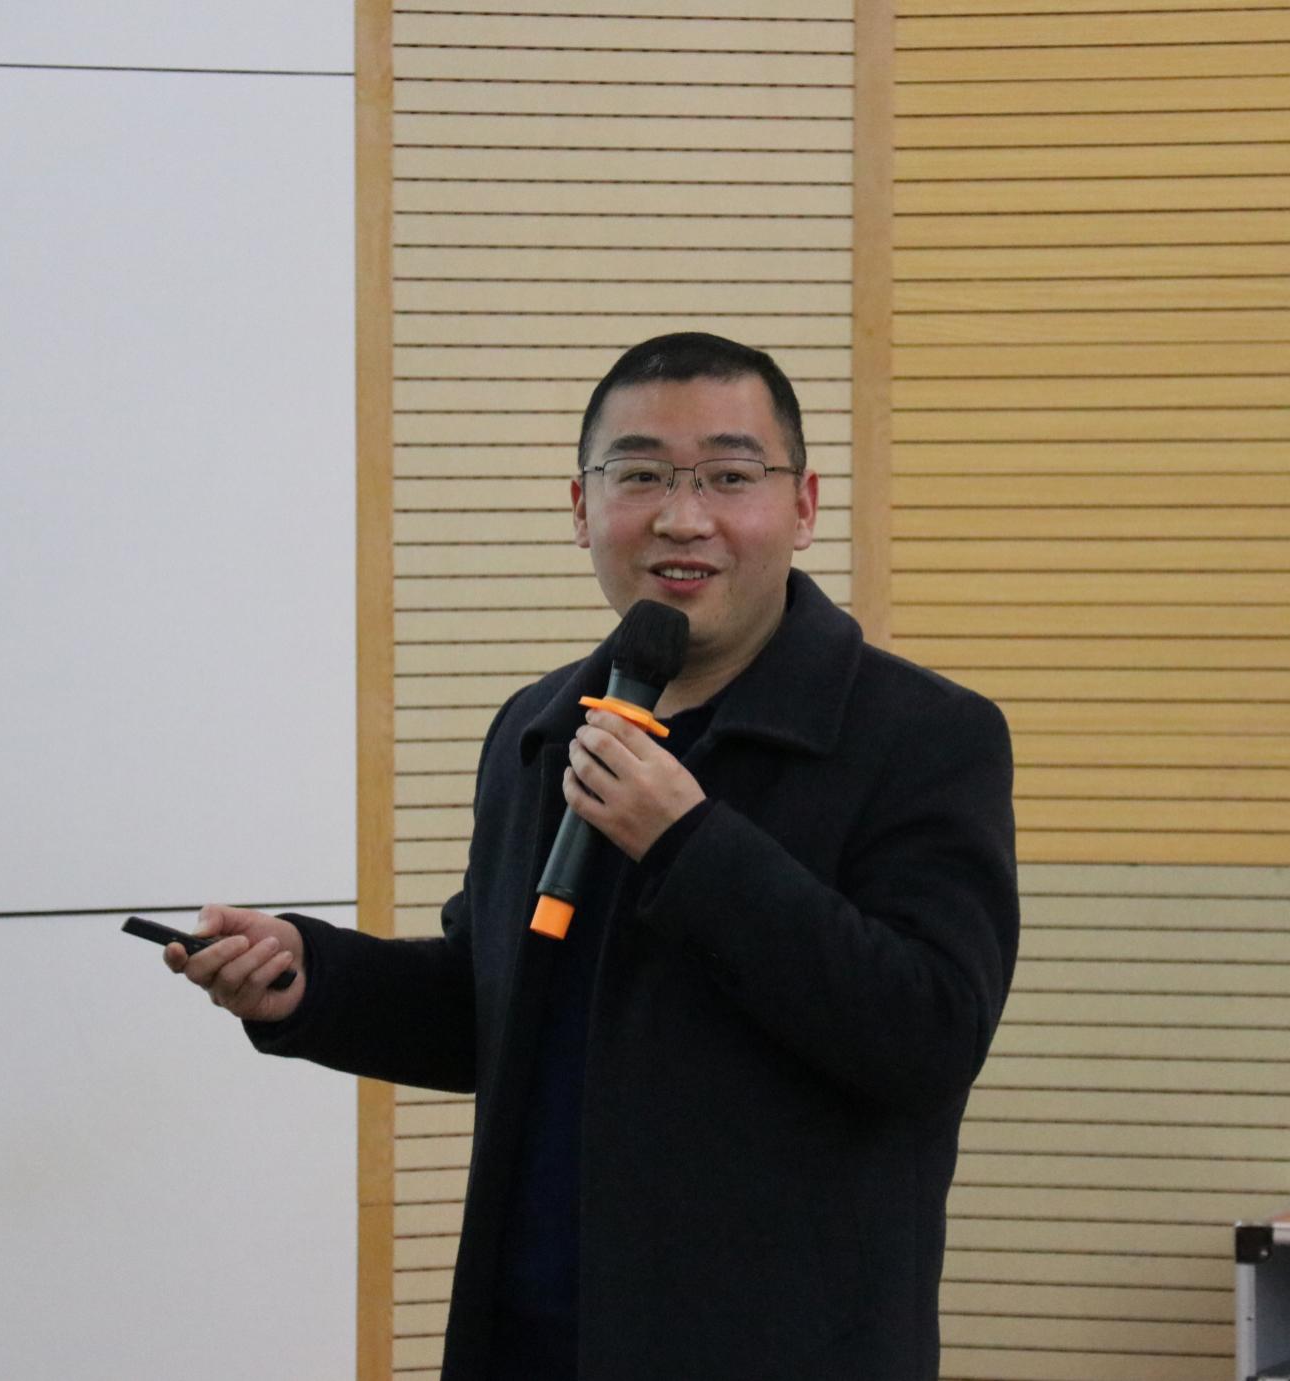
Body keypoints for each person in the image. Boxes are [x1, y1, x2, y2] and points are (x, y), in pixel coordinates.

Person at [167, 333, 1018, 1379]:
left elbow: (927, 1034)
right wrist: (312, 978)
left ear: (801, 507)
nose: (682, 517)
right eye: (640, 475)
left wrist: (690, 843)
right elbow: (495, 1005)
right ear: (581, 507)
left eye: (729, 476)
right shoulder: (541, 728)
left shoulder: (920, 736)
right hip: (535, 1341)